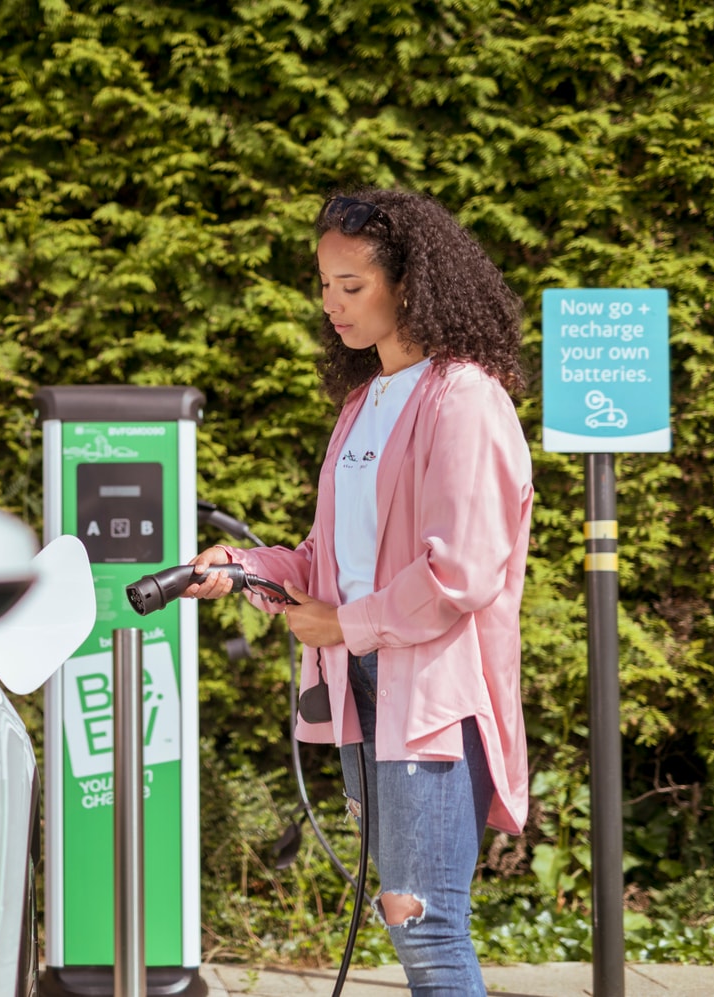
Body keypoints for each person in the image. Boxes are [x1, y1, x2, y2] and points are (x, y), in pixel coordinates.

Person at [185, 188, 533, 995]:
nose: (331, 304)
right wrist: (244, 567)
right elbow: (328, 559)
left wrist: (343, 624)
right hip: (365, 689)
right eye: (324, 284)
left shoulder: (465, 397)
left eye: (352, 285)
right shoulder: (364, 402)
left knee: (428, 924)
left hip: (433, 698)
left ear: (409, 285)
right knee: (404, 917)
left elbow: (464, 570)